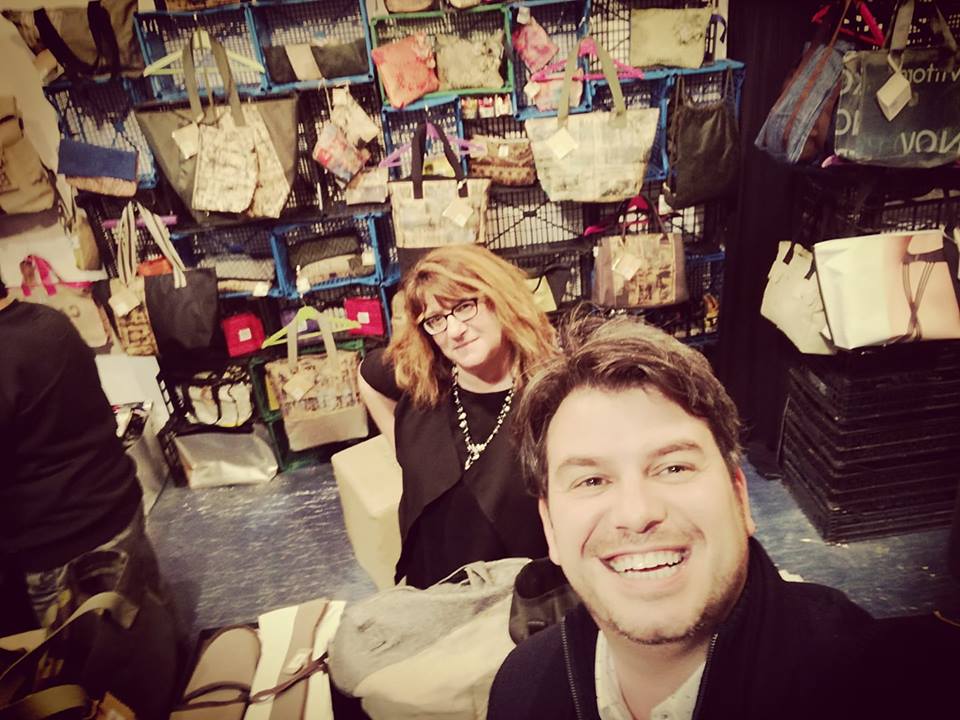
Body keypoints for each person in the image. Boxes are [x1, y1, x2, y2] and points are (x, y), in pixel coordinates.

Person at [488, 313, 957, 720]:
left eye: (674, 468)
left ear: (739, 496)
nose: (637, 513)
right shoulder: (521, 688)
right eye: (592, 480)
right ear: (550, 528)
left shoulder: (882, 687)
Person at [358, 245, 557, 589]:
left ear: (501, 299)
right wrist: (405, 450)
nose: (454, 331)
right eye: (436, 320)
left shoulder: (551, 395)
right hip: (434, 596)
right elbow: (367, 373)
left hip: (519, 601)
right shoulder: (427, 386)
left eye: (464, 306)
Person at [0, 274, 167, 628]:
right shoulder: (47, 320)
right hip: (116, 505)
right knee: (152, 624)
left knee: (87, 655)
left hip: (60, 542)